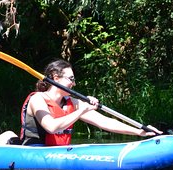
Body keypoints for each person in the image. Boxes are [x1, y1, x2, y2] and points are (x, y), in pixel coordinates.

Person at [20, 60, 161, 145]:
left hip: (58, 153)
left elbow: (105, 122)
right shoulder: (37, 99)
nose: (74, 84)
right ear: (56, 79)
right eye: (71, 79)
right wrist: (82, 110)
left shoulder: (72, 103)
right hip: (34, 151)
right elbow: (51, 127)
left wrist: (138, 131)